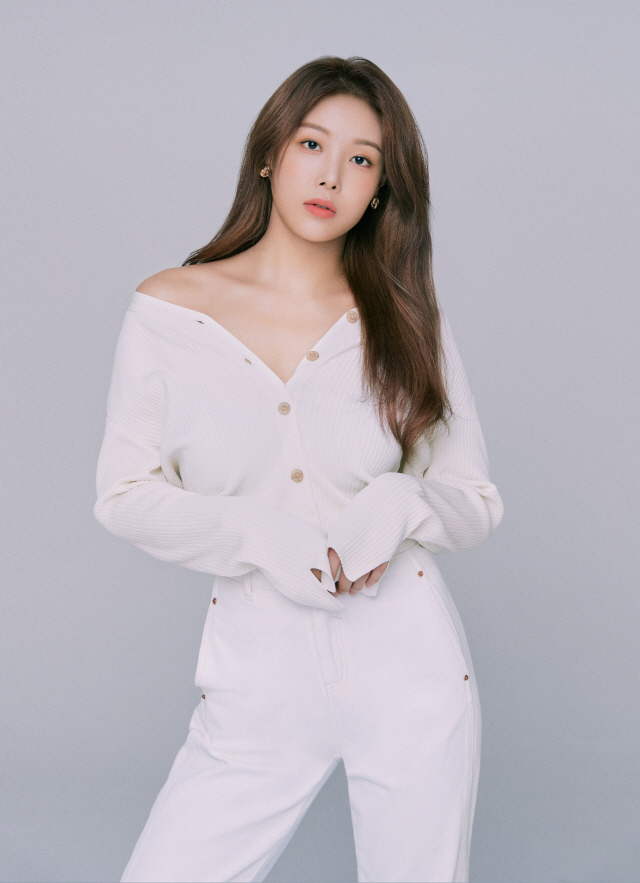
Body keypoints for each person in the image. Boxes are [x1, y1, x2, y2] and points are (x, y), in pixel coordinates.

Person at [93, 55, 504, 883]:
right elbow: (123, 496)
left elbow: (474, 499)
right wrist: (252, 530)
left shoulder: (407, 318)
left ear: (381, 189)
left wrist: (401, 499)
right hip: (257, 678)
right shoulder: (170, 309)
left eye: (362, 159)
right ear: (268, 153)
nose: (331, 175)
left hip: (411, 669)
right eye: (312, 143)